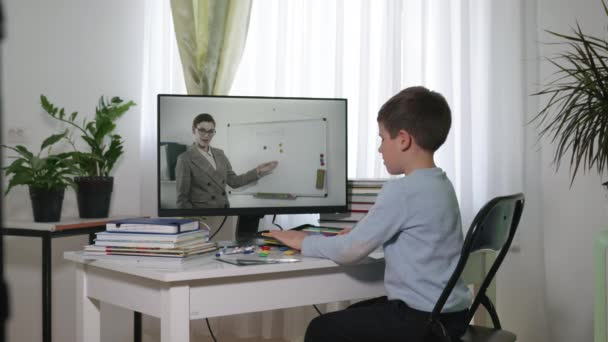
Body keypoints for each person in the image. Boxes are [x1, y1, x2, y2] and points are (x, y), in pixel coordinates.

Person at [271, 86, 472, 342]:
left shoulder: (402, 191)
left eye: (382, 138)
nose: (379, 149)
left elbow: (349, 251)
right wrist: (359, 233)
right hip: (453, 316)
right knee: (354, 314)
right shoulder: (442, 184)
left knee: (321, 329)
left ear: (403, 139)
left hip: (422, 320)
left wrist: (303, 241)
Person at [175, 113, 278, 208]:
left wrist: (258, 171)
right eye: (202, 130)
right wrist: (195, 222)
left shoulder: (220, 154)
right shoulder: (185, 159)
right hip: (203, 217)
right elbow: (182, 200)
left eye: (211, 131)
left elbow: (234, 181)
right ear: (194, 130)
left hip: (224, 211)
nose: (206, 135)